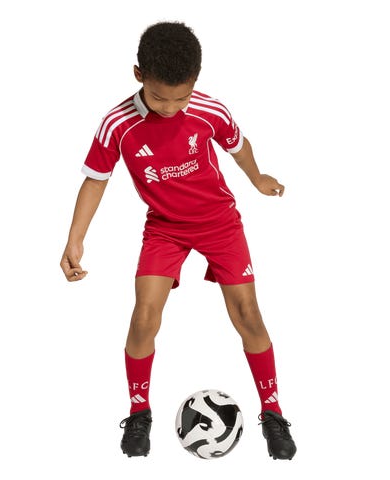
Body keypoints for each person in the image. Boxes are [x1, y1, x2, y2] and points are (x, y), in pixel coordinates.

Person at [60, 21, 296, 460]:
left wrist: (257, 177)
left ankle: (273, 411)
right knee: (144, 317)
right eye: (158, 98)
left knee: (248, 315)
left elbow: (238, 144)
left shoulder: (209, 110)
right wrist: (75, 240)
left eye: (180, 98)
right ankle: (138, 412)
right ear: (138, 76)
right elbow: (96, 180)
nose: (170, 108)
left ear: (195, 82)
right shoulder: (117, 123)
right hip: (165, 227)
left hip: (219, 223)